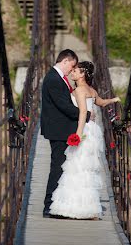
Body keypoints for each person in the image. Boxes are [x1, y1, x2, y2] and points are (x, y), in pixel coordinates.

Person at [49, 60, 120, 220]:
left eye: (76, 71)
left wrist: (78, 134)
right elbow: (100, 102)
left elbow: (82, 113)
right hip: (93, 130)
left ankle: (75, 207)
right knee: (86, 169)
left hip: (84, 128)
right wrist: (113, 100)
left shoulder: (80, 90)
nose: (72, 73)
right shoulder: (91, 90)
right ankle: (88, 207)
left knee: (76, 168)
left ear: (83, 74)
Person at [41, 49, 92, 218]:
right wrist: (85, 114)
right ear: (64, 61)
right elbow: (63, 105)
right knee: (58, 167)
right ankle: (49, 206)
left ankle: (58, 205)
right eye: (71, 66)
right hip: (59, 130)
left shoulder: (57, 78)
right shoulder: (53, 79)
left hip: (61, 129)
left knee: (62, 167)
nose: (72, 70)